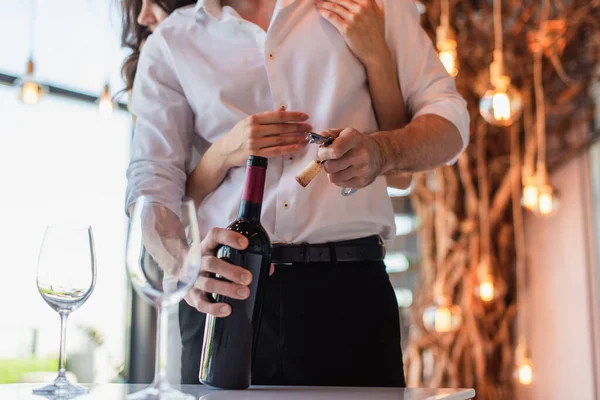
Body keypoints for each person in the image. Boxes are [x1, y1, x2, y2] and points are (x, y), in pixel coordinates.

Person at [126, 0, 469, 387]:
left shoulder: (374, 7)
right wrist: (182, 266)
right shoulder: (170, 43)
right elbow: (151, 183)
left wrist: (383, 152)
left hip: (350, 295)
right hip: (223, 297)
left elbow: (450, 121)